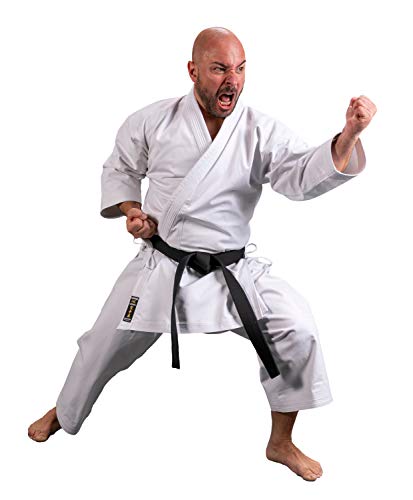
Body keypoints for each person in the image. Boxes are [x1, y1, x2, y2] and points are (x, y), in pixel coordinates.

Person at [28, 27, 376, 482]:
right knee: (101, 344)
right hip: (161, 265)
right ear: (193, 71)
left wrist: (348, 136)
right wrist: (133, 212)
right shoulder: (152, 120)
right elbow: (121, 169)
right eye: (219, 69)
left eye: (240, 68)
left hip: (232, 270)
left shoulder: (259, 130)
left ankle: (280, 441)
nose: (233, 79)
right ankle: (64, 412)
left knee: (297, 327)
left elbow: (299, 176)